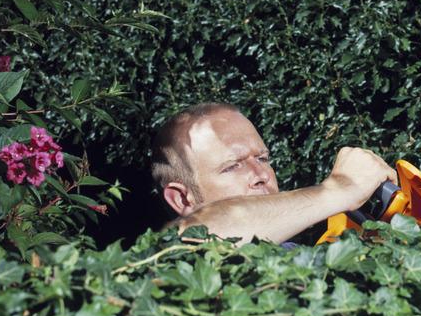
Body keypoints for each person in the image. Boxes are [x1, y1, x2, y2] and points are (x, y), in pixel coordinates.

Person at [151, 102, 397, 245]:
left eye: (262, 158)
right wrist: (339, 189)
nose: (261, 174)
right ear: (182, 199)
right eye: (232, 166)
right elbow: (194, 233)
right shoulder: (170, 264)